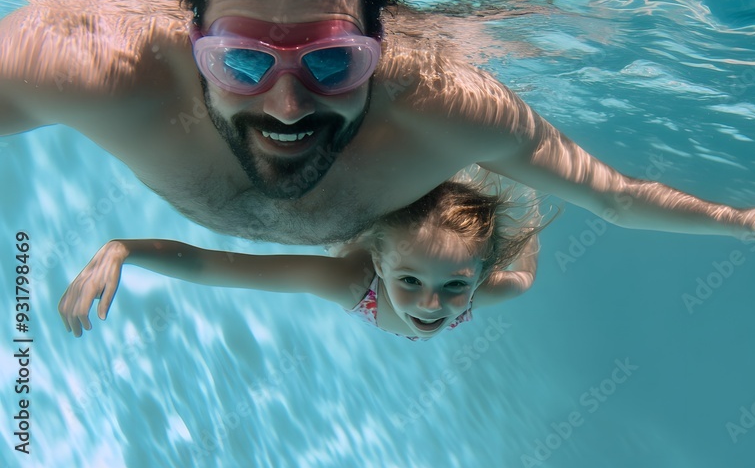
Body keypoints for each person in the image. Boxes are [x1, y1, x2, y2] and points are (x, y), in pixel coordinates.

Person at [0, 0, 755, 256]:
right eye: (243, 63)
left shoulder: (447, 112)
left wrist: (739, 223)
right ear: (194, 47)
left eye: (331, 63)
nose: (287, 105)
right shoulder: (100, 72)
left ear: (379, 53)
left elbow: (612, 196)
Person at [58, 180, 545, 341]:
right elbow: (218, 267)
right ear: (379, 261)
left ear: (481, 275)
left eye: (457, 286)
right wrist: (126, 249)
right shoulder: (349, 281)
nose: (432, 304)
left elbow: (523, 269)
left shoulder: (496, 285)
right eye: (410, 279)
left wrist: (530, 193)